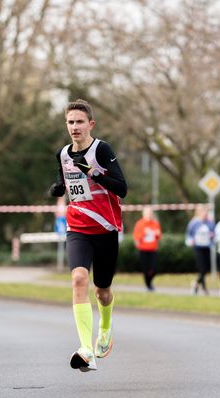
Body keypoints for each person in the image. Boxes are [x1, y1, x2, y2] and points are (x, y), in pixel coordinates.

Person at [49, 99, 127, 372]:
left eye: (80, 122)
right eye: (70, 122)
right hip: (78, 227)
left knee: (102, 291)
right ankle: (86, 350)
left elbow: (122, 187)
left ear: (90, 124)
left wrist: (93, 172)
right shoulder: (63, 154)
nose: (75, 127)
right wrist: (58, 188)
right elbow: (65, 181)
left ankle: (105, 328)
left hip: (105, 229)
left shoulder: (101, 150)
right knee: (78, 278)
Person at [185, 204, 215, 295]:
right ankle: (203, 288)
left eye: (206, 212)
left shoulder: (210, 223)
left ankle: (196, 284)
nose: (205, 214)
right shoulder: (194, 223)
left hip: (207, 247)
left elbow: (214, 233)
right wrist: (190, 241)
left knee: (206, 269)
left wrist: (212, 237)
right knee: (202, 269)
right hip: (198, 248)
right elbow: (188, 236)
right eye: (203, 212)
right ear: (198, 213)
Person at [133, 206, 162, 291]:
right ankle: (148, 285)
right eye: (147, 213)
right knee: (146, 269)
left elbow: (159, 236)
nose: (149, 215)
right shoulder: (140, 224)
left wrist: (157, 234)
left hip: (153, 249)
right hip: (143, 250)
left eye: (150, 213)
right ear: (144, 214)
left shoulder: (155, 224)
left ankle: (149, 283)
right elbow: (136, 238)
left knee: (155, 269)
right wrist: (143, 234)